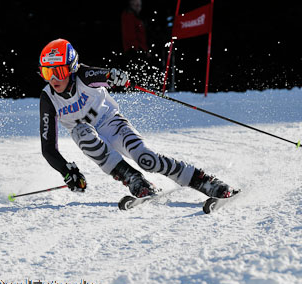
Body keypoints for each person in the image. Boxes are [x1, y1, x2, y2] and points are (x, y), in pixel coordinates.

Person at [38, 38, 235, 200]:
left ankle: (204, 181)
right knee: (82, 131)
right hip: (87, 136)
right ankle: (134, 180)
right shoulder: (49, 98)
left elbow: (103, 74)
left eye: (59, 72)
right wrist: (66, 171)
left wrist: (115, 76)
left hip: (111, 123)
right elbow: (48, 149)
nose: (54, 79)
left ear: (72, 68)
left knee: (147, 159)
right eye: (48, 73)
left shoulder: (84, 75)